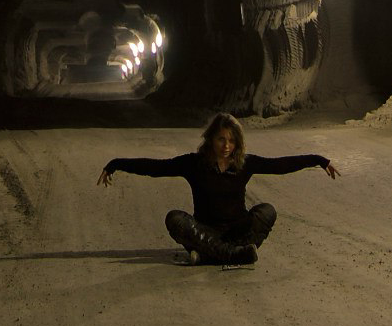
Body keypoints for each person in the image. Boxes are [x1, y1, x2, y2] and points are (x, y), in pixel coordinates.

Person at [96, 112, 340, 266]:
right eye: (221, 139)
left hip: (237, 230)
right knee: (175, 219)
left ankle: (209, 256)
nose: (226, 146)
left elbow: (281, 165)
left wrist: (318, 160)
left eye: (232, 141)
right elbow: (155, 168)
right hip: (205, 230)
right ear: (211, 139)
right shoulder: (194, 163)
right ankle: (233, 255)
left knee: (267, 211)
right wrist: (116, 164)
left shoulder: (245, 164)